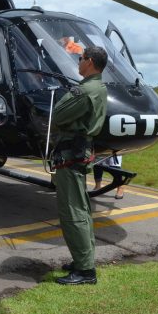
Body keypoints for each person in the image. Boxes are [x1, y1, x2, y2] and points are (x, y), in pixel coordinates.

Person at [50, 46, 108, 285]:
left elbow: (58, 114)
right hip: (79, 152)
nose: (78, 61)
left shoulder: (85, 91)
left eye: (81, 58)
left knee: (73, 211)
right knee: (81, 210)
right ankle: (82, 260)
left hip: (70, 154)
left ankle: (85, 271)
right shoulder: (99, 87)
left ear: (90, 61)